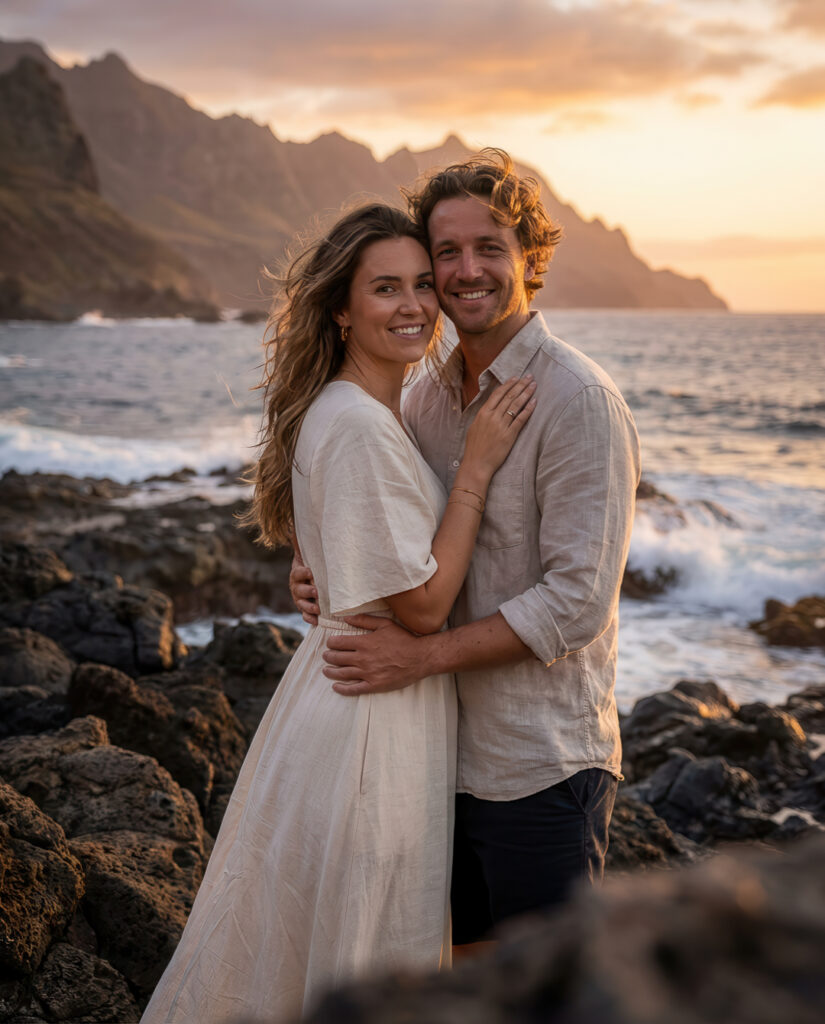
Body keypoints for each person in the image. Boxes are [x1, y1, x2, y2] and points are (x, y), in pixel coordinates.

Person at [139, 203, 535, 1024]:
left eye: (423, 285)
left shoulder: (363, 408)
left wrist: (317, 565)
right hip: (369, 723)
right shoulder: (357, 421)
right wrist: (478, 468)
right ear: (340, 309)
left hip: (350, 699)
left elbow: (356, 546)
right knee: (365, 949)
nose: (414, 306)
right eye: (384, 288)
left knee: (310, 944)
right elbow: (423, 608)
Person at [293, 150, 642, 946]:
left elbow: (577, 603)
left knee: (543, 997)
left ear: (529, 256)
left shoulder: (576, 399)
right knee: (453, 985)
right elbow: (384, 521)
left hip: (539, 765)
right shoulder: (423, 398)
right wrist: (318, 569)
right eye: (444, 252)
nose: (465, 269)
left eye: (489, 246)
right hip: (431, 762)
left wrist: (419, 658)